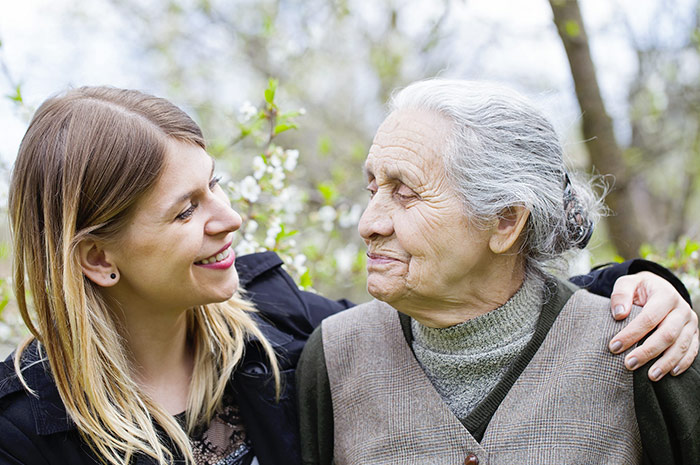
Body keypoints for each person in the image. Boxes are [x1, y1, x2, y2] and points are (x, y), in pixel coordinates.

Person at [0, 86, 694, 465]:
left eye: (215, 186)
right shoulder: (26, 431)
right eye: (187, 209)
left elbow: (489, 311)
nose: (231, 218)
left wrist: (641, 288)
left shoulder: (282, 328)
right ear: (97, 258)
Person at [297, 79, 700, 465]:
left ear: (506, 221)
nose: (369, 223)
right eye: (373, 190)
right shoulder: (334, 357)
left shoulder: (644, 346)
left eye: (405, 194)